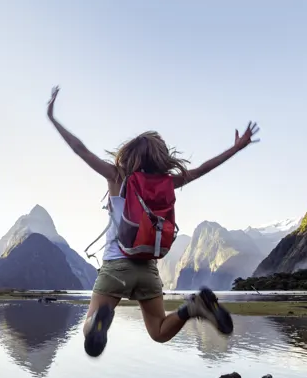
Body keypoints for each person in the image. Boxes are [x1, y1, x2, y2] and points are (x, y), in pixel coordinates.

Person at [46, 86, 260, 357]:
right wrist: (236, 148)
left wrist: (53, 118)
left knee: (89, 330)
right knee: (158, 331)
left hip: (116, 266)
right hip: (147, 268)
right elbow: (205, 168)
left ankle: (99, 319)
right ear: (160, 156)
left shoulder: (116, 176)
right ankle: (192, 308)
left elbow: (80, 149)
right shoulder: (169, 182)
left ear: (130, 153)